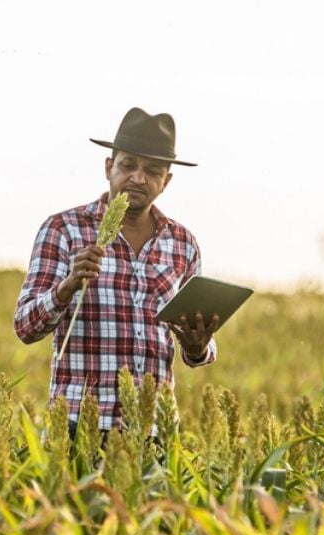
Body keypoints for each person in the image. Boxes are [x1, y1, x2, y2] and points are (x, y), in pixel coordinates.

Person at [14, 107, 219, 434]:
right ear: (109, 167)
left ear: (166, 181)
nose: (138, 178)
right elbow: (25, 327)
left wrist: (197, 348)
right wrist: (66, 287)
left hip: (153, 433)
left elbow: (198, 350)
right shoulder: (64, 230)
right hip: (77, 427)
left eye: (152, 170)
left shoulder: (183, 243)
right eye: (127, 165)